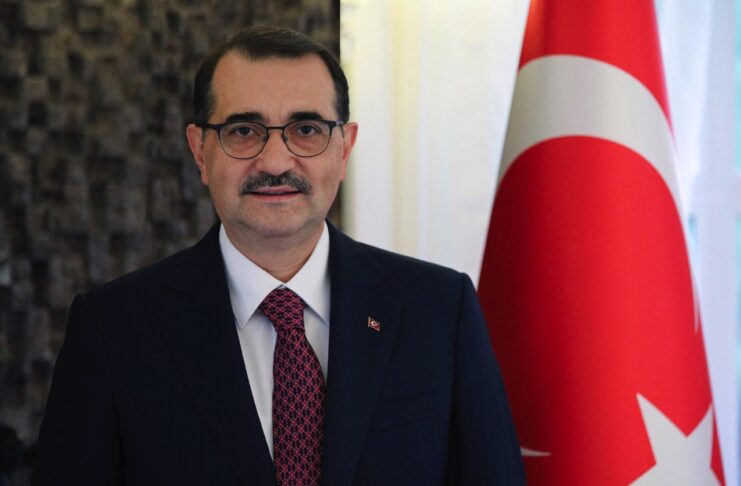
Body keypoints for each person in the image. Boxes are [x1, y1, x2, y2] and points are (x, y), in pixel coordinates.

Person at [34, 26, 524, 485]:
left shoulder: (440, 310)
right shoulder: (112, 328)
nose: (273, 161)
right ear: (201, 151)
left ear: (344, 149)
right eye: (243, 130)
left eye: (306, 129)